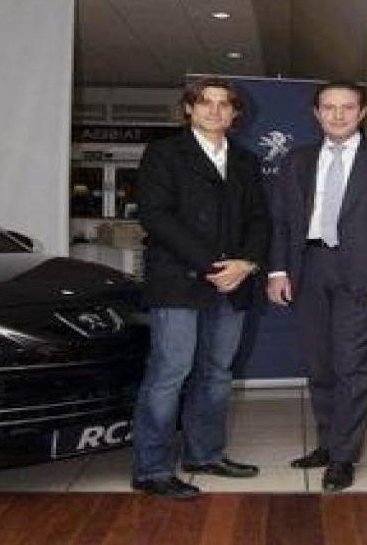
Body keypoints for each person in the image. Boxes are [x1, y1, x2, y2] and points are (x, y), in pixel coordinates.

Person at [267, 80, 367, 492]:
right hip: (308, 269)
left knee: (353, 367)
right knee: (320, 365)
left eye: (347, 107)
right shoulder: (296, 160)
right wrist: (277, 271)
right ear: (316, 113)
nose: (338, 115)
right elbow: (281, 221)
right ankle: (328, 442)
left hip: (364, 276)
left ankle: (343, 457)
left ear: (362, 112)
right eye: (329, 107)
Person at [132, 77, 271, 499]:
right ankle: (152, 469)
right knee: (170, 372)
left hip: (233, 282)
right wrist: (215, 266)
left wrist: (246, 263)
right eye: (204, 102)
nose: (214, 110)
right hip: (179, 281)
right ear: (188, 109)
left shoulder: (246, 160)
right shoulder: (163, 154)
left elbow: (259, 220)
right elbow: (156, 216)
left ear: (235, 113)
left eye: (223, 104)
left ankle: (204, 455)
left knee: (216, 374)